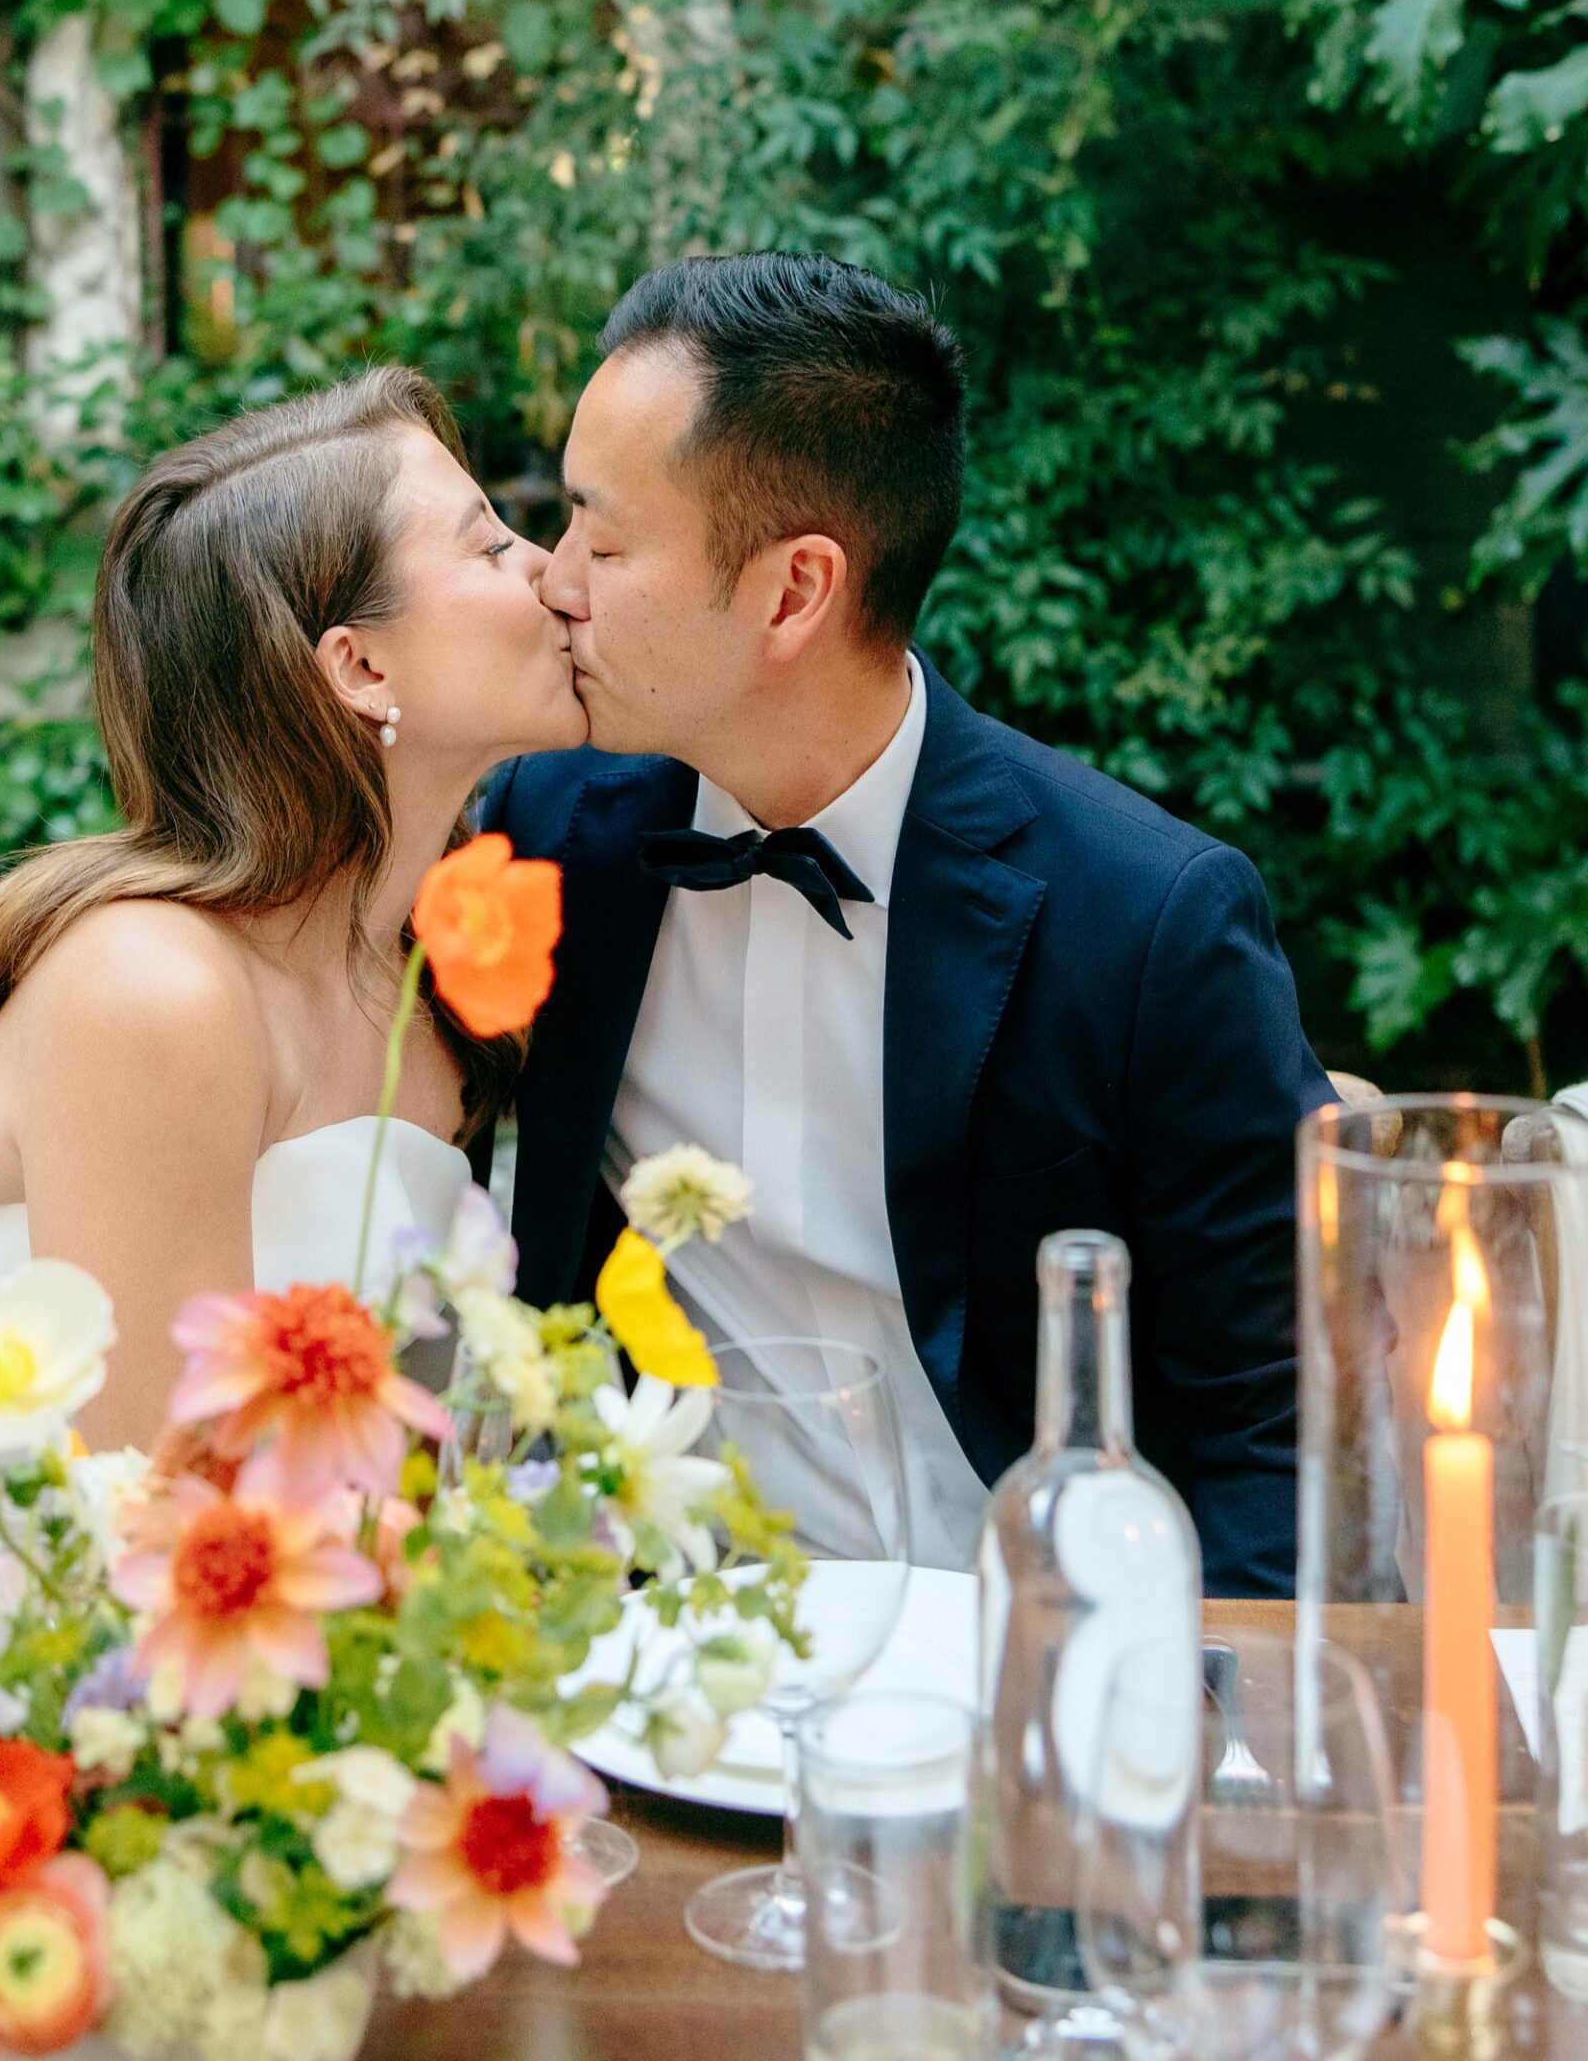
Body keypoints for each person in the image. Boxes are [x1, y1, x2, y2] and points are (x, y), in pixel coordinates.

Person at [479, 251, 1334, 1597]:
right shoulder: (547, 831)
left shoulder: (1148, 923)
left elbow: (1273, 1425)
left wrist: (1193, 1745)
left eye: (602, 535)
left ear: (794, 591)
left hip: (1041, 1661)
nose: (553, 579)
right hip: (667, 1658)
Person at [0, 367, 582, 1543]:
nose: (553, 573)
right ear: (361, 666)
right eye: (490, 545)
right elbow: (144, 1512)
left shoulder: (431, 976)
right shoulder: (157, 992)